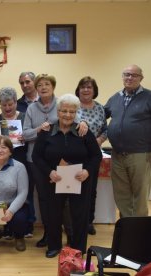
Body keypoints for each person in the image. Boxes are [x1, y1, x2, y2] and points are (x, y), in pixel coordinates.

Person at [32, 94, 102, 258]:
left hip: (80, 180)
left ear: (76, 112)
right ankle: (54, 246)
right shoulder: (46, 131)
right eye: (64, 111)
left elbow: (96, 156)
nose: (67, 115)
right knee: (53, 214)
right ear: (58, 111)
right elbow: (37, 157)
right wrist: (49, 171)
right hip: (54, 180)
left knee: (79, 215)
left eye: (72, 111)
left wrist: (87, 171)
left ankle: (77, 248)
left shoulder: (83, 131)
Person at [23, 74, 88, 248]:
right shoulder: (31, 108)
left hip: (63, 161)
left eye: (47, 84)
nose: (43, 87)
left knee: (66, 201)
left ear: (53, 86)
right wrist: (40, 130)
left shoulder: (63, 103)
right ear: (36, 88)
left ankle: (70, 236)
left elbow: (75, 118)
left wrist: (83, 122)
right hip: (37, 160)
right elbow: (25, 134)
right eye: (40, 85)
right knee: (45, 200)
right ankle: (49, 235)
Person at [104, 64, 151, 218]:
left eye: (134, 75)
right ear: (122, 77)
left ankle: (140, 231)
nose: (129, 78)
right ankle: (127, 227)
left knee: (140, 194)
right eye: (126, 74)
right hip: (117, 154)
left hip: (140, 154)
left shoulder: (148, 97)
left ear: (141, 78)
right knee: (121, 194)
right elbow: (101, 117)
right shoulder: (115, 98)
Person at [75, 76, 107, 235]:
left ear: (94, 91)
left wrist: (100, 139)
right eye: (83, 87)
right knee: (74, 189)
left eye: (89, 87)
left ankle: (88, 221)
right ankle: (74, 222)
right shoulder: (72, 106)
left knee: (90, 190)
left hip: (93, 155)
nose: (86, 90)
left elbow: (105, 130)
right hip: (74, 153)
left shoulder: (101, 108)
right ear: (78, 90)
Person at [17, 71, 39, 238]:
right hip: (26, 155)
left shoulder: (47, 102)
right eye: (22, 83)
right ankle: (28, 225)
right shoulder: (17, 105)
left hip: (47, 155)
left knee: (47, 194)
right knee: (27, 190)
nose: (25, 85)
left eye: (27, 82)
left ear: (35, 82)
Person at [0, 87, 26, 165]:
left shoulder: (25, 118)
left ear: (16, 102)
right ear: (0, 104)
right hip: (0, 163)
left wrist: (26, 137)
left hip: (22, 161)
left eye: (10, 104)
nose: (7, 108)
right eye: (4, 105)